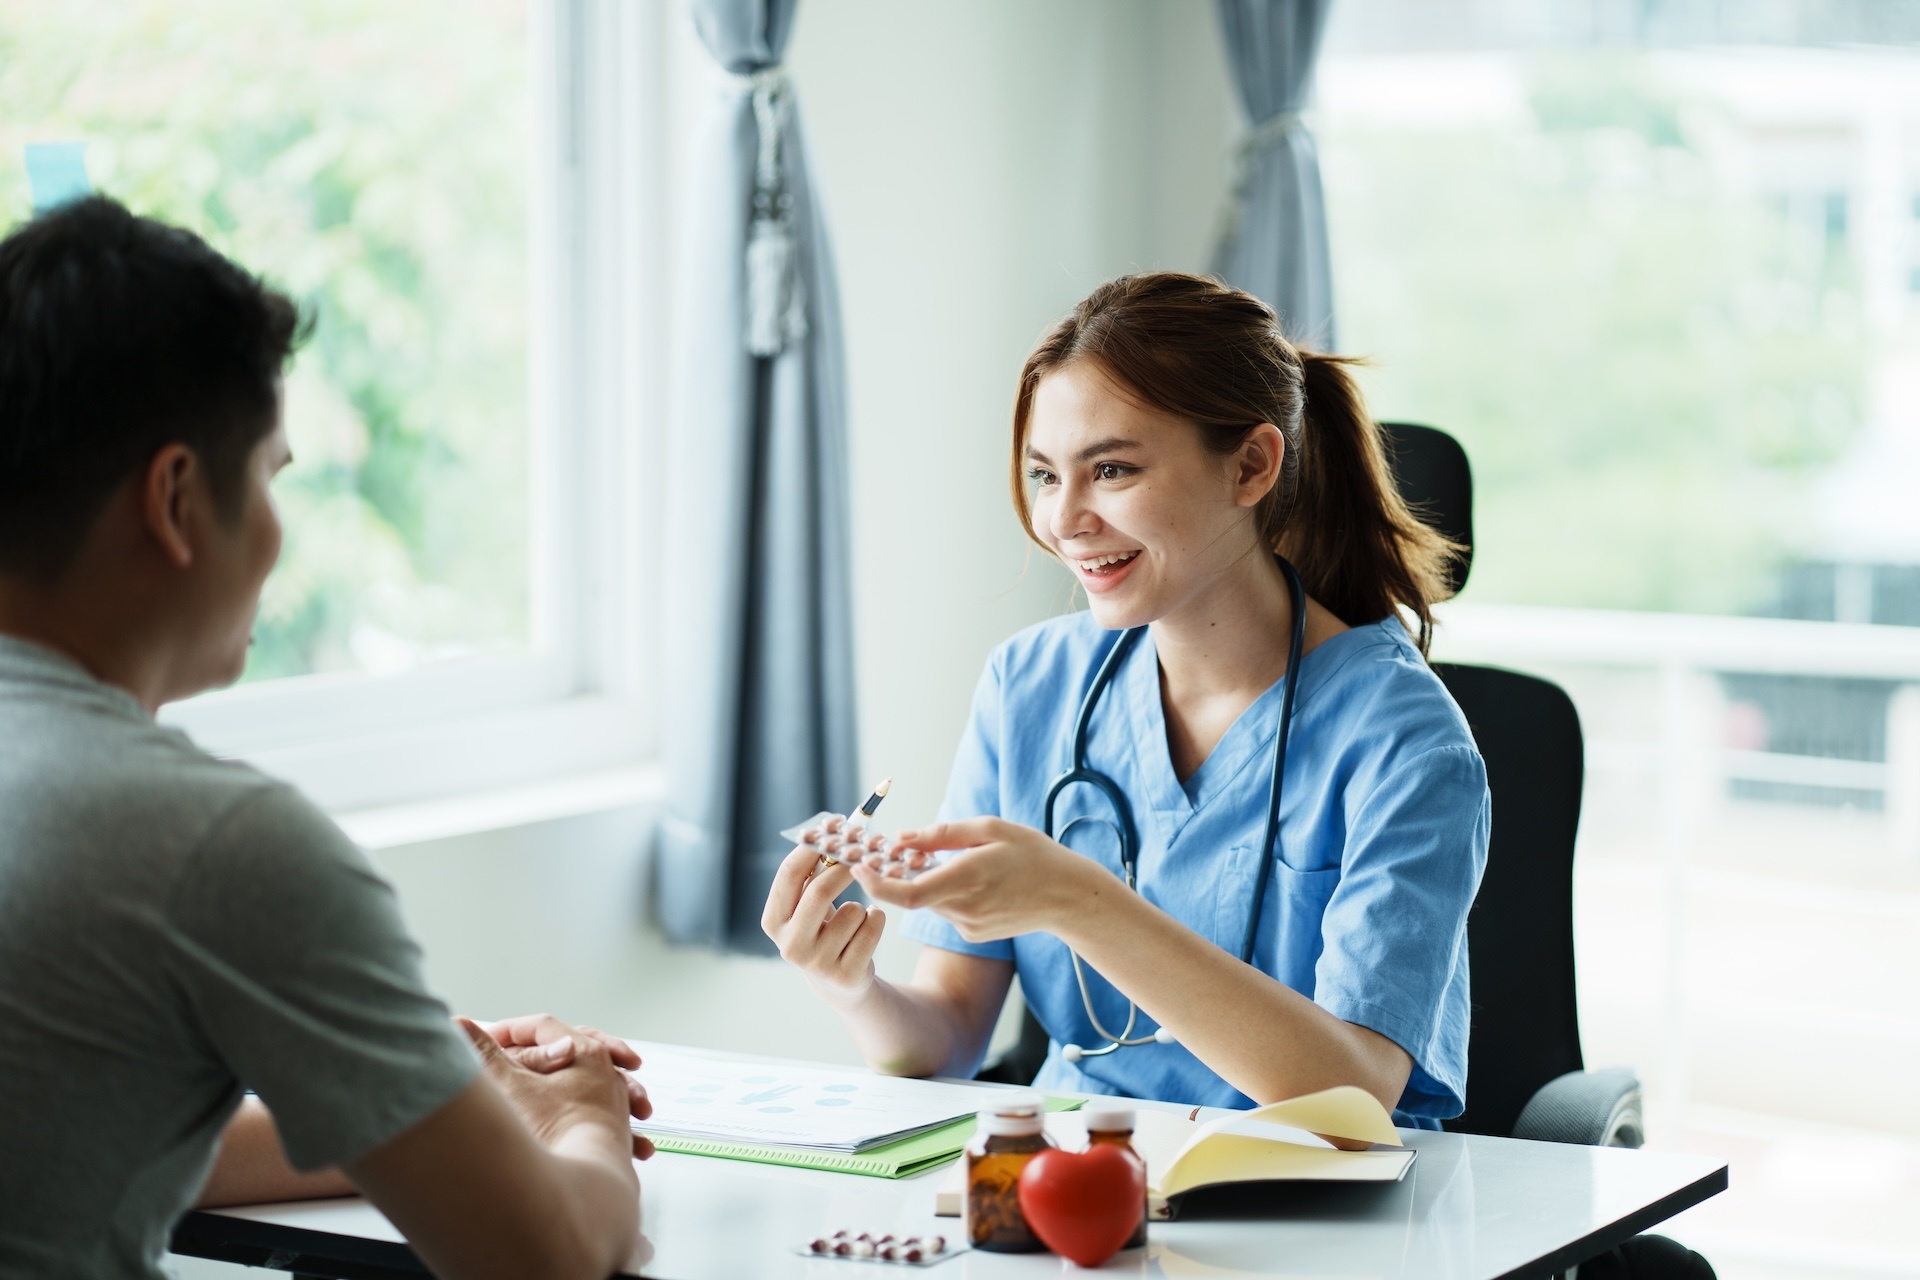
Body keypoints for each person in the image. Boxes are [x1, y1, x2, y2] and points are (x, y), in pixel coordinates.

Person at [0, 196, 651, 1280]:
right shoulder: (212, 841)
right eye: (269, 476)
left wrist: (430, 1086)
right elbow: (541, 1260)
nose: (276, 531)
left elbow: (104, 1142)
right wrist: (581, 1118)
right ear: (174, 498)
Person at [764, 271, 1490, 1130]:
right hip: (1088, 1182)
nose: (1063, 520)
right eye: (1044, 475)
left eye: (1110, 469)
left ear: (1252, 465)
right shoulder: (1028, 686)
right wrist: (850, 985)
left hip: (1324, 1207)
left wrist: (1076, 898)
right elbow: (948, 1042)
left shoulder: (1403, 739)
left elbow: (1349, 1102)